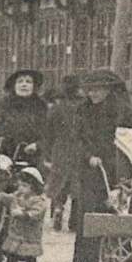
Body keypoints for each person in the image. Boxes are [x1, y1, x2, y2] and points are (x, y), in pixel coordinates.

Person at [70, 69, 125, 262]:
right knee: (91, 214)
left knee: (117, 212)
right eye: (89, 90)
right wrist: (88, 156)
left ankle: (117, 261)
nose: (93, 94)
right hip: (91, 171)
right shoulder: (82, 111)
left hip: (116, 168)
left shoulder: (120, 110)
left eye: (97, 90)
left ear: (108, 90)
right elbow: (76, 139)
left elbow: (130, 135)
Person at [2, 163, 49, 262]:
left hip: (29, 236)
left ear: (34, 187)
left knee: (30, 259)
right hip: (16, 234)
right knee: (11, 258)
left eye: (25, 186)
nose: (21, 188)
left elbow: (37, 213)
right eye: (20, 185)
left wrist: (24, 214)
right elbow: (8, 198)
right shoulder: (17, 196)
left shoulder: (38, 200)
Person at [45, 75, 83, 231]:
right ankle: (74, 220)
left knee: (60, 181)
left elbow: (48, 132)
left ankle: (58, 208)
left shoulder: (56, 109)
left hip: (60, 148)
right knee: (77, 184)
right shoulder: (84, 107)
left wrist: (47, 153)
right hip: (79, 149)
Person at [0, 69, 50, 161]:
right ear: (14, 86)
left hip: (35, 156)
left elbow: (49, 132)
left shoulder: (41, 107)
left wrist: (38, 145)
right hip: (8, 156)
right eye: (20, 82)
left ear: (34, 86)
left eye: (28, 82)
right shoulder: (5, 105)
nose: (24, 84)